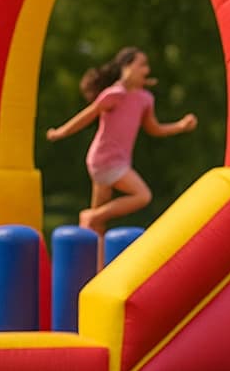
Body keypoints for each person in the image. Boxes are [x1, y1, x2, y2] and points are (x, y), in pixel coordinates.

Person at [46, 47, 197, 235]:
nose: (147, 71)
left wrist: (180, 126)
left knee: (98, 225)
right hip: (105, 159)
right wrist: (60, 132)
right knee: (142, 196)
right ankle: (90, 217)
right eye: (141, 65)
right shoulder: (115, 94)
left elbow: (154, 129)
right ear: (126, 67)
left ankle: (96, 262)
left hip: (117, 161)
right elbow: (88, 116)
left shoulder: (145, 99)